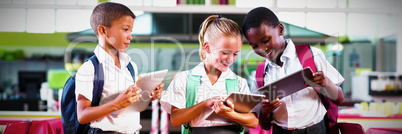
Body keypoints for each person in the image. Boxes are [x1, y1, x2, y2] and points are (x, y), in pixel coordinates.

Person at [241, 7, 344, 134]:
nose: (262, 49)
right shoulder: (260, 73)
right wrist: (265, 112)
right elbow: (265, 125)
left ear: (280, 29)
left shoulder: (312, 55)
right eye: (255, 46)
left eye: (266, 40)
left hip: (315, 130)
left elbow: (339, 99)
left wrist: (327, 83)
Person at [75, 2, 164, 133]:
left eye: (131, 30)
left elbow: (129, 106)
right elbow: (82, 115)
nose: (130, 36)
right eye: (125, 29)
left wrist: (148, 95)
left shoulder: (130, 66)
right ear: (103, 30)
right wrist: (117, 103)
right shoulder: (89, 69)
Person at [160, 15, 258, 134]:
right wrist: (204, 104)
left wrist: (230, 114)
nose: (230, 59)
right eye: (225, 52)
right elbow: (175, 120)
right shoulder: (184, 79)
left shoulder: (239, 82)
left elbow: (253, 122)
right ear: (207, 47)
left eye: (235, 53)